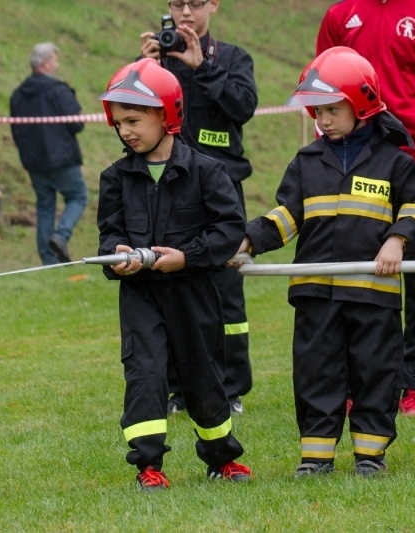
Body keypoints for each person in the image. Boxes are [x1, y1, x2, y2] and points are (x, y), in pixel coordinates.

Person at [237, 47, 415, 477]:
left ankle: (370, 456)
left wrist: (397, 241)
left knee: (375, 374)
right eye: (317, 111)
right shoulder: (306, 163)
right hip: (315, 293)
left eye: (331, 110)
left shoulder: (394, 162)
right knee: (316, 375)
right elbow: (286, 217)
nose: (321, 120)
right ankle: (316, 457)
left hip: (373, 293)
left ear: (361, 105)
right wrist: (249, 240)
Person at [96, 58, 251, 489]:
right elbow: (109, 237)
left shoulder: (208, 171)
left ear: (167, 115)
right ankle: (148, 466)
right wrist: (117, 257)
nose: (125, 131)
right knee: (144, 374)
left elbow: (228, 231)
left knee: (202, 375)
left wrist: (187, 256)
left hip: (194, 294)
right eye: (119, 123)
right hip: (141, 298)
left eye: (134, 120)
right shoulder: (114, 179)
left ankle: (222, 459)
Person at [316, 0, 415, 417]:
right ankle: (354, 381)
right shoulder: (339, 14)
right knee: (359, 277)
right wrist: (336, 157)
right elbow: (323, 88)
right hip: (361, 160)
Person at [139, 0, 257, 415]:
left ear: (213, 5)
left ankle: (231, 388)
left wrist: (202, 67)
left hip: (221, 188)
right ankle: (178, 389)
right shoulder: (158, 62)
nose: (185, 12)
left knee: (225, 289)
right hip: (169, 188)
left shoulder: (233, 58)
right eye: (176, 3)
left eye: (195, 2)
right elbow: (132, 118)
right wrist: (144, 69)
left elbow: (243, 107)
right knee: (170, 289)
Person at [10, 42, 88, 265]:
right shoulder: (58, 90)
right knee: (78, 196)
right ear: (45, 64)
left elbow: (15, 131)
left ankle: (49, 260)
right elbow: (77, 124)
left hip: (34, 162)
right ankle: (61, 236)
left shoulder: (17, 95)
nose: (57, 64)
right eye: (55, 60)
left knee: (45, 206)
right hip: (61, 158)